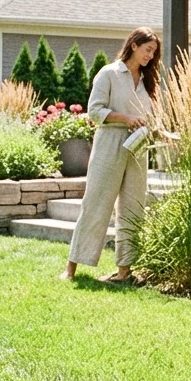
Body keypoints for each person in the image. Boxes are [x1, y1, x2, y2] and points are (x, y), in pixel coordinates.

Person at [61, 27, 160, 283]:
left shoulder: (148, 79)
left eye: (154, 52)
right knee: (96, 203)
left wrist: (160, 131)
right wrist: (125, 118)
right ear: (134, 45)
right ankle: (71, 268)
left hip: (137, 147)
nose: (150, 56)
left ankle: (124, 270)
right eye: (147, 50)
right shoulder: (109, 73)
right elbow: (94, 111)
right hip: (110, 142)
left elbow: (149, 116)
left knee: (133, 207)